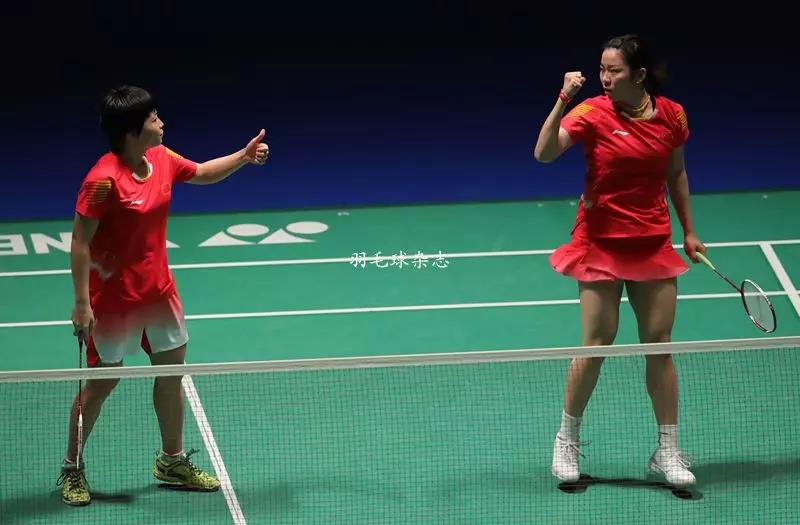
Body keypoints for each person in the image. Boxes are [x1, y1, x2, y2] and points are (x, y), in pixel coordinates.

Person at [57, 85, 270, 506]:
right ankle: (72, 467)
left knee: (171, 376)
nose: (161, 122)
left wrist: (243, 157)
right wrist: (82, 303)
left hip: (159, 294)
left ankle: (171, 461)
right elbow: (80, 242)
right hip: (114, 302)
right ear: (132, 131)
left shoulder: (161, 157)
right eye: (153, 118)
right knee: (101, 385)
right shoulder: (102, 180)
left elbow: (202, 172)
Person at [533, 35, 705, 488]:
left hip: (651, 241)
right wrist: (562, 98)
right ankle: (565, 440)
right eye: (602, 70)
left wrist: (688, 230)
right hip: (599, 242)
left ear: (639, 74)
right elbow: (544, 153)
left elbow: (676, 172)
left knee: (658, 345)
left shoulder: (673, 115)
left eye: (615, 71)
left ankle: (666, 451)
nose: (605, 78)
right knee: (597, 342)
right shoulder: (591, 111)